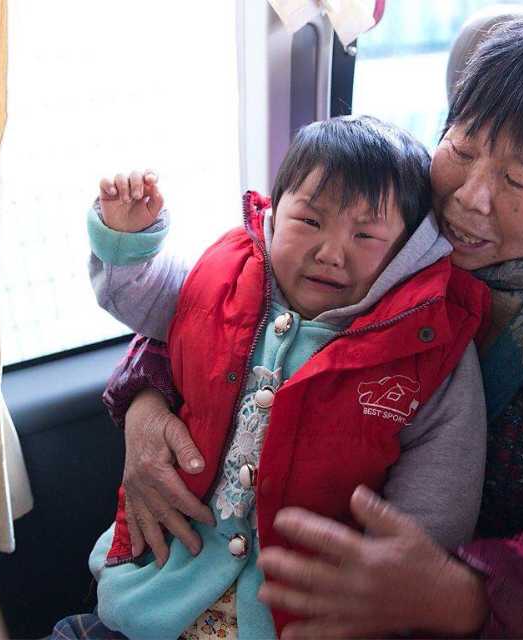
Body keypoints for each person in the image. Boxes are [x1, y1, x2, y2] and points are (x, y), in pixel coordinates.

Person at [91, 14, 523, 639]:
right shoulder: (400, 208)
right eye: (462, 148)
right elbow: (236, 303)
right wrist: (145, 405)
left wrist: (457, 592)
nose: (469, 197)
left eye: (518, 179)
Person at [52, 116, 489, 639]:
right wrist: (129, 238)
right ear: (275, 215)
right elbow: (144, 300)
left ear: (407, 250)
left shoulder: (428, 346)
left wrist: (384, 586)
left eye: (365, 235)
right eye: (309, 221)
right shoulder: (225, 277)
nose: (330, 253)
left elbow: (437, 497)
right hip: (160, 586)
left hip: (296, 616)